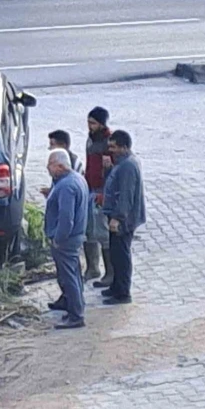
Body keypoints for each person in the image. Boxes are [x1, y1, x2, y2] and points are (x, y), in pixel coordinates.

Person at [44, 149, 89, 329]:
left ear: (61, 166)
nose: (48, 169)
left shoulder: (66, 187)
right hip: (75, 237)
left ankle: (76, 315)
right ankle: (73, 305)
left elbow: (66, 218)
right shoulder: (77, 179)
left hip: (66, 240)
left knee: (68, 276)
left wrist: (58, 239)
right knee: (74, 273)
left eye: (50, 165)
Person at [101, 130, 146, 306]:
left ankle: (122, 292)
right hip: (118, 215)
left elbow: (126, 195)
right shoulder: (122, 163)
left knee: (121, 255)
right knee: (115, 253)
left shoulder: (127, 166)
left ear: (124, 147)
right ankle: (116, 286)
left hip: (123, 219)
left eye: (114, 147)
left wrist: (118, 218)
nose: (111, 150)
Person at [85, 107, 114, 285]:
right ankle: (92, 268)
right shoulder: (91, 139)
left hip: (101, 191)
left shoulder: (108, 141)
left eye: (93, 123)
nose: (90, 126)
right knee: (88, 230)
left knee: (102, 232)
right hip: (90, 187)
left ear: (102, 124)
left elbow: (112, 170)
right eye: (88, 122)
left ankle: (110, 272)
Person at [40, 130, 84, 199]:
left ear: (63, 145)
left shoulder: (75, 163)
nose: (50, 148)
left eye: (52, 144)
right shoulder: (57, 161)